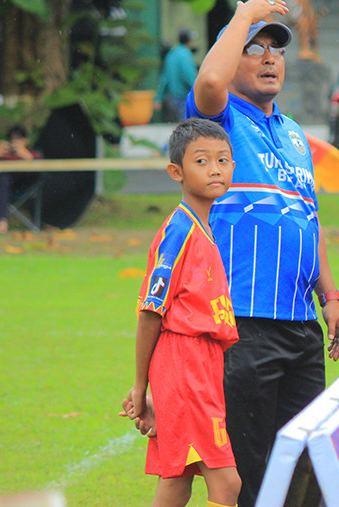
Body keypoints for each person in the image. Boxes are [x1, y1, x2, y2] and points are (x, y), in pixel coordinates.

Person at [186, 0, 339, 506]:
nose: (269, 57)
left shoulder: (296, 134)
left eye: (275, 49)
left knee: (308, 462)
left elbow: (309, 216)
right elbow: (210, 83)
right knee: (252, 467)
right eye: (253, 50)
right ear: (230, 58)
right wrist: (243, 16)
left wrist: (331, 296)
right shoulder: (219, 122)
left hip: (302, 325)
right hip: (244, 322)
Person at [123, 118, 241, 507]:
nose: (215, 169)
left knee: (177, 478)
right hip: (185, 361)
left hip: (200, 363)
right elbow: (149, 312)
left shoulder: (203, 226)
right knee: (226, 483)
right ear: (176, 171)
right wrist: (142, 388)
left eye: (223, 160)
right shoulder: (180, 231)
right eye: (202, 161)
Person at [0, 124, 42, 234]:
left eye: (18, 139)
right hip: (0, 187)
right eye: (12, 140)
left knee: (4, 178)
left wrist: (25, 155)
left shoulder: (34, 154)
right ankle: (2, 223)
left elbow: (39, 172)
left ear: (26, 141)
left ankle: (2, 222)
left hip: (25, 187)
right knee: (3, 177)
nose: (14, 143)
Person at [156, 29, 200, 123]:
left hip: (172, 99)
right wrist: (201, 92)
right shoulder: (186, 55)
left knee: (178, 128)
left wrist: (158, 98)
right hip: (184, 99)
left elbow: (165, 78)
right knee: (187, 130)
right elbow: (189, 77)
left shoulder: (172, 54)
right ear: (189, 41)